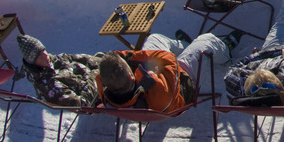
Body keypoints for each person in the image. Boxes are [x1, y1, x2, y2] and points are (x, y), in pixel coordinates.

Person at [97, 29, 239, 112]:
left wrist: (130, 59)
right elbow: (169, 60)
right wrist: (143, 59)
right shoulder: (159, 91)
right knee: (207, 39)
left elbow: (115, 59)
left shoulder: (105, 87)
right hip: (183, 82)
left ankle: (187, 45)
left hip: (159, 77)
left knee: (155, 38)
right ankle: (226, 53)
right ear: (130, 75)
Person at [17, 34, 103, 107]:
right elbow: (83, 104)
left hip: (96, 78)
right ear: (33, 62)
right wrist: (95, 75)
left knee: (109, 59)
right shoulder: (50, 88)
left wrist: (103, 62)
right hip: (97, 94)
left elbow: (82, 58)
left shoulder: (53, 60)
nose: (45, 55)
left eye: (43, 50)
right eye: (39, 55)